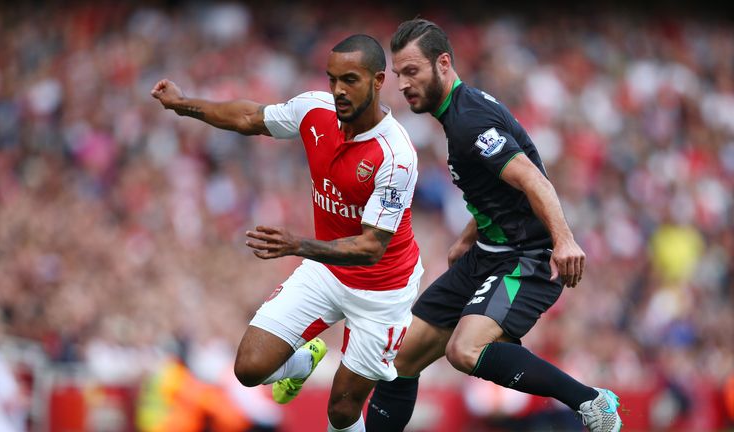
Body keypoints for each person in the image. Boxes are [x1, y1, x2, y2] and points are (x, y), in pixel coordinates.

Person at [151, 34, 422, 432]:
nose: (338, 91)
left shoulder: (396, 155)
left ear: (379, 80)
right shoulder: (315, 110)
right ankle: (303, 360)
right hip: (327, 269)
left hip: (382, 288)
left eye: (350, 79)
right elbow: (249, 117)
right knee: (248, 368)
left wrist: (298, 245)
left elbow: (370, 248)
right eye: (332, 79)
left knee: (342, 411)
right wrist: (183, 105)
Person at [365, 19, 622, 432]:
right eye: (399, 75)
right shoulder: (458, 114)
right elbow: (494, 191)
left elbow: (532, 179)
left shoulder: (470, 122)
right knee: (401, 359)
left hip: (528, 258)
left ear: (443, 63)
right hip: (488, 253)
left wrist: (565, 240)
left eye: (412, 71)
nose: (403, 84)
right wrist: (467, 237)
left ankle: (591, 402)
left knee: (464, 351)